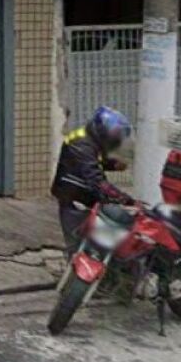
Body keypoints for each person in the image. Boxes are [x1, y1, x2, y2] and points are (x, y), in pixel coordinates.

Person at [51, 106, 134, 254]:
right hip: (74, 197)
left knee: (92, 241)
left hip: (81, 193)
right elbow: (95, 179)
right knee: (79, 246)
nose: (114, 141)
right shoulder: (81, 144)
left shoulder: (89, 139)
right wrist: (124, 199)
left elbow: (89, 162)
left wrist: (112, 164)